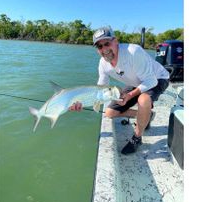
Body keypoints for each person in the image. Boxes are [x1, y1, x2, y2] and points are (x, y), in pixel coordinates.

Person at [70, 26, 169, 154]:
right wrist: (81, 102)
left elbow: (151, 81)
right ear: (97, 50)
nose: (104, 49)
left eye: (107, 43)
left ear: (116, 41)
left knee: (143, 100)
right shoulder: (103, 64)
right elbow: (101, 89)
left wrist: (130, 95)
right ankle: (147, 116)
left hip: (157, 78)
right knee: (109, 113)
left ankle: (137, 138)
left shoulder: (133, 52)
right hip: (135, 82)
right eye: (100, 47)